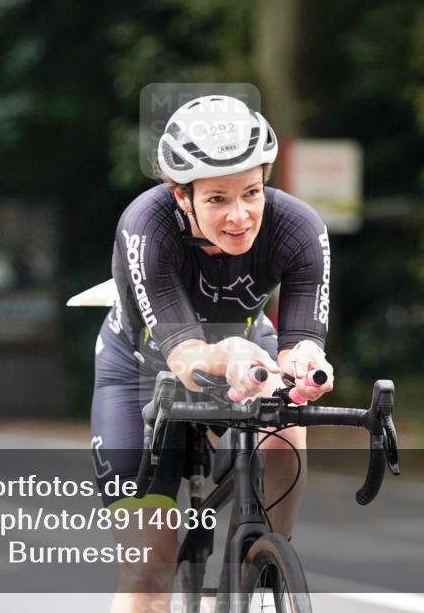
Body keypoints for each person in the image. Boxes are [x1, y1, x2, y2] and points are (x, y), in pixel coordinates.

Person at [90, 95, 335, 612]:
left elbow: (302, 341)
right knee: (148, 571)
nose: (240, 215)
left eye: (252, 192)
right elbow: (186, 357)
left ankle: (266, 565)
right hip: (139, 371)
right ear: (183, 197)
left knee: (287, 426)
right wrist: (234, 356)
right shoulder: (146, 226)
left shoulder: (298, 226)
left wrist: (306, 366)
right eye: (218, 199)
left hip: (245, 351)